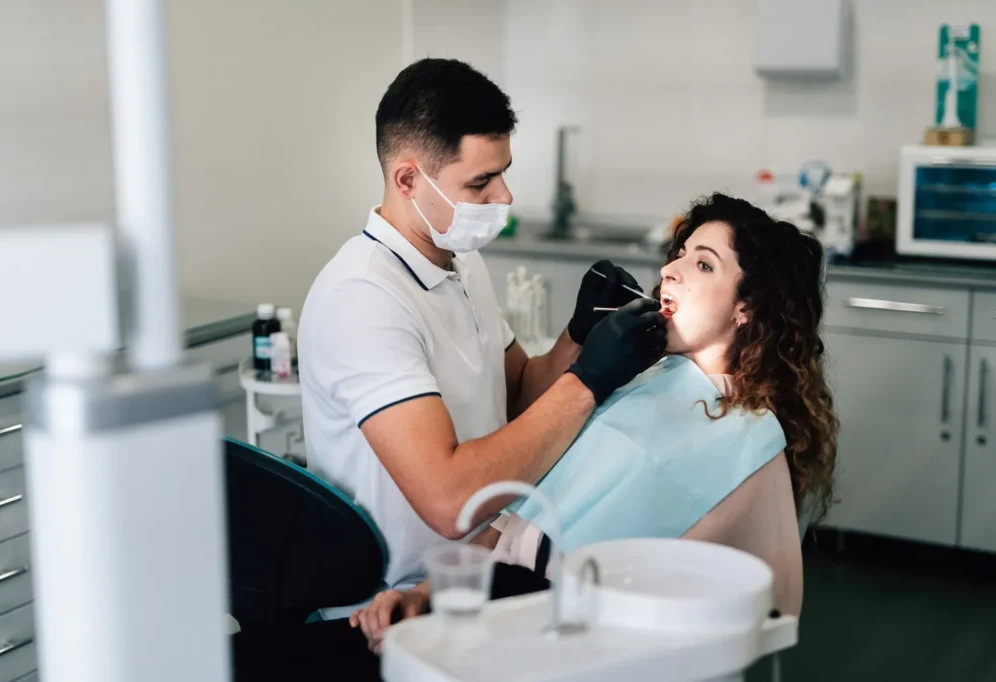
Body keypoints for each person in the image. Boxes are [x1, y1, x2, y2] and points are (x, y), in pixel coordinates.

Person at [350, 193, 840, 650]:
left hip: (551, 635)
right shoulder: (641, 379)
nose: (669, 270)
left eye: (703, 264)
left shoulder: (749, 440)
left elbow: (758, 609)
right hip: (489, 605)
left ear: (746, 309)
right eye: (679, 254)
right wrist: (425, 592)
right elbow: (516, 518)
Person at [297, 57, 665, 619]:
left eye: (503, 173)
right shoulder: (363, 297)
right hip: (393, 608)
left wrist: (578, 335)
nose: (504, 197)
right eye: (479, 182)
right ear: (407, 180)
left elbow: (515, 392)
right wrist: (588, 381)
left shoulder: (460, 262)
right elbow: (449, 500)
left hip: (480, 567)